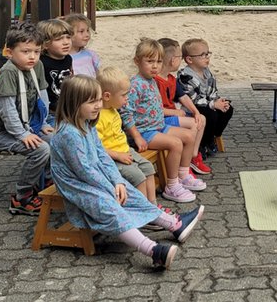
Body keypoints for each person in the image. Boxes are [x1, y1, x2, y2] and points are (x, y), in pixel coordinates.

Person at [50, 75, 204, 269]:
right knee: (109, 206)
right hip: (76, 184)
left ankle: (175, 224)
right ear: (74, 103)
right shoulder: (68, 134)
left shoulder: (87, 124)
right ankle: (153, 251)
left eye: (98, 100)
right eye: (91, 102)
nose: (98, 106)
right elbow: (84, 171)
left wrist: (118, 181)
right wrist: (111, 187)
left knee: (131, 193)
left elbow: (102, 156)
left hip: (94, 177)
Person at [120, 38, 206, 204]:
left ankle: (183, 174)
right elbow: (125, 113)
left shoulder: (151, 81)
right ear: (137, 61)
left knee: (189, 136)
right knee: (175, 144)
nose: (155, 66)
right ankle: (171, 186)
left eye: (159, 62)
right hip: (144, 132)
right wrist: (136, 136)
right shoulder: (135, 85)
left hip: (157, 126)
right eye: (150, 61)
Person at [0, 23, 52, 215]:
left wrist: (43, 123)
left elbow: (42, 96)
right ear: (10, 52)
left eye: (36, 51)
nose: (32, 56)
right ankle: (22, 197)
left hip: (27, 126)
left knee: (56, 139)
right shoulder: (8, 72)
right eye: (26, 51)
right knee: (40, 149)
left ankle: (46, 183)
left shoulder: (37, 66)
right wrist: (22, 134)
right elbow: (7, 110)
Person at [95, 66, 164, 210]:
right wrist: (117, 155)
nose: (127, 98)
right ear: (107, 96)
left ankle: (153, 207)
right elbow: (96, 147)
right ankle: (143, 211)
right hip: (112, 158)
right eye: (124, 95)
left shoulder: (113, 109)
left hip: (125, 150)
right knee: (137, 176)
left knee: (148, 168)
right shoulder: (97, 117)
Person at [156, 38, 211, 175]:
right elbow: (154, 109)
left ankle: (193, 155)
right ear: (172, 60)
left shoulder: (171, 79)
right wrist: (174, 112)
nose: (181, 61)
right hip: (162, 118)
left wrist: (195, 111)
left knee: (201, 119)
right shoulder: (155, 82)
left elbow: (183, 97)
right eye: (180, 57)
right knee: (193, 124)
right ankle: (184, 163)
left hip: (172, 115)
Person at [178, 38, 234, 158]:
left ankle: (212, 137)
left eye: (208, 54)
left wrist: (217, 101)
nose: (207, 57)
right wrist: (213, 104)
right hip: (192, 108)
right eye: (202, 55)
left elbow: (212, 90)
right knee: (211, 115)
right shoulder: (185, 76)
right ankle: (202, 143)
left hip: (207, 104)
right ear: (189, 59)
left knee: (228, 109)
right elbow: (193, 99)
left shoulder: (207, 72)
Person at [37, 18, 74, 118]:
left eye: (68, 37)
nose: (66, 42)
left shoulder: (68, 59)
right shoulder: (41, 63)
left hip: (67, 107)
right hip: (50, 111)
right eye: (58, 39)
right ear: (45, 44)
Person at [64, 13, 101, 78]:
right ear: (69, 34)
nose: (87, 35)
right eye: (81, 31)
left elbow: (99, 76)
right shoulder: (63, 58)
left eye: (87, 30)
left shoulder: (91, 55)